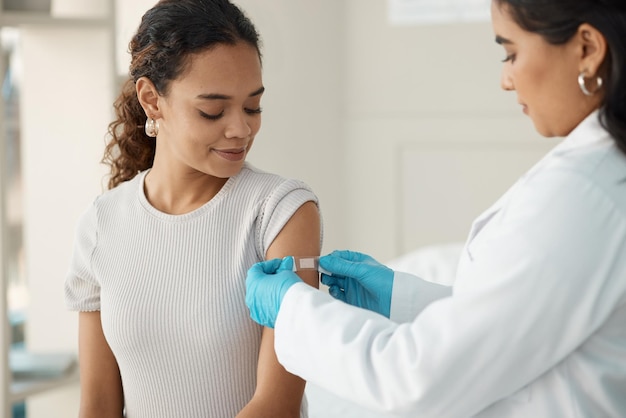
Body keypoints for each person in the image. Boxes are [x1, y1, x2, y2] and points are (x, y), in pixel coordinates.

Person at [245, 0, 626, 416]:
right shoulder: (596, 179)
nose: (506, 80)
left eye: (511, 53)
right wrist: (401, 300)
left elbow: (419, 376)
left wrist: (294, 311)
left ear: (588, 49)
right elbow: (518, 325)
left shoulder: (582, 195)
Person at [64, 0, 322, 417]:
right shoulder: (101, 225)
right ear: (151, 100)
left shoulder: (280, 213)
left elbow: (277, 405)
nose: (240, 129)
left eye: (252, 106)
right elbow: (97, 407)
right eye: (213, 111)